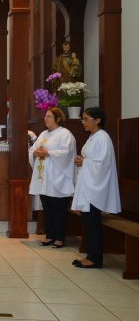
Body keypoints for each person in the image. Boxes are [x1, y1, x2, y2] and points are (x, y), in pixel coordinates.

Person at [71, 107, 121, 269]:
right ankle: (91, 256)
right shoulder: (93, 137)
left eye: (86, 119)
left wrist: (84, 162)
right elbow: (90, 160)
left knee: (92, 223)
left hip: (95, 188)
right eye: (83, 119)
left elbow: (103, 165)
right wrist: (81, 161)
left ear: (97, 120)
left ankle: (95, 259)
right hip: (89, 186)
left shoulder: (103, 138)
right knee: (88, 223)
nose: (83, 122)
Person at [28, 107, 76, 249]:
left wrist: (48, 153)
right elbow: (33, 150)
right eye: (46, 116)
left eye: (49, 116)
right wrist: (35, 153)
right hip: (44, 179)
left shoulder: (65, 134)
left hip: (59, 179)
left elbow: (67, 153)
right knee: (47, 208)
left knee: (59, 209)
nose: (46, 118)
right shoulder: (43, 134)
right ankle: (49, 236)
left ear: (58, 119)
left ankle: (59, 239)